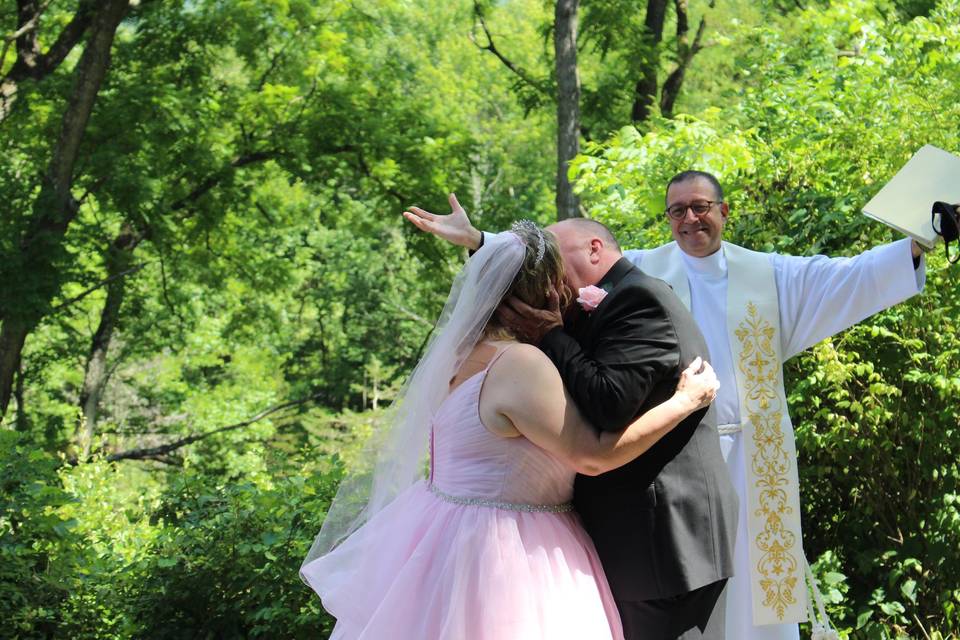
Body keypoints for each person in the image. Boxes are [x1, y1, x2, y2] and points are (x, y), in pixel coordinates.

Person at [301, 223, 722, 640]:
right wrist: (684, 401)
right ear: (546, 290)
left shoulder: (456, 355)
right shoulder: (520, 365)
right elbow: (592, 456)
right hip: (513, 552)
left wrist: (481, 242)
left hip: (441, 534)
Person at [405, 203, 739, 640]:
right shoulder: (525, 355)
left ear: (594, 248)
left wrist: (544, 328)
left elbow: (608, 403)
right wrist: (683, 401)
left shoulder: (638, 300)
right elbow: (592, 448)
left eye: (556, 260)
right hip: (545, 547)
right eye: (546, 273)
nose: (557, 281)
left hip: (660, 544)